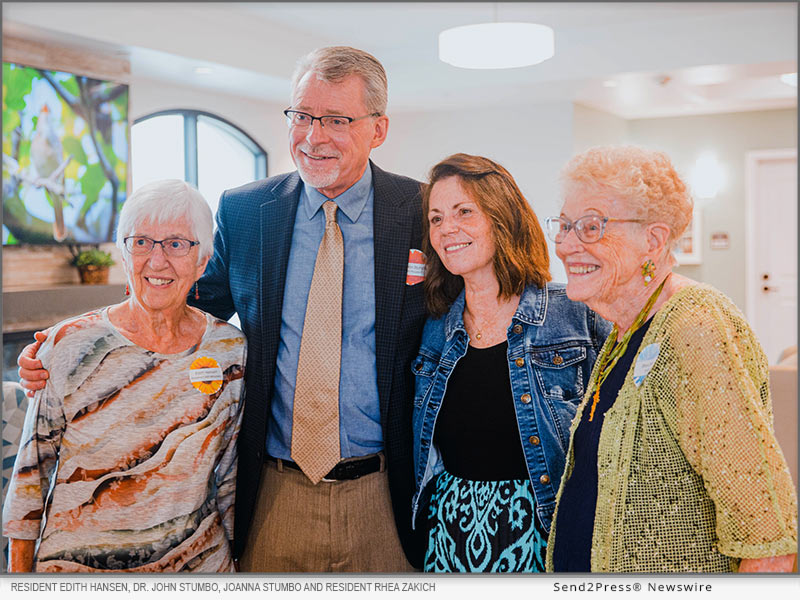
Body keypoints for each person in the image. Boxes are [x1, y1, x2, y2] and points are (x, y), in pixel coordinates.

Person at [18, 46, 426, 572]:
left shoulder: (417, 210)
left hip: (385, 491)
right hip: (274, 491)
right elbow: (176, 303)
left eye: (336, 120)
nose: (313, 135)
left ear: (379, 128)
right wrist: (75, 347)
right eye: (302, 116)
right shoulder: (247, 210)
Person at [544, 146, 797, 573]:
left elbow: (765, 536)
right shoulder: (625, 328)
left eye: (590, 227)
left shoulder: (695, 326)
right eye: (565, 226)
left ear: (654, 240)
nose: (566, 245)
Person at [3, 180, 246, 572]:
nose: (157, 260)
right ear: (122, 252)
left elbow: (232, 477)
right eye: (142, 242)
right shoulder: (69, 345)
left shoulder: (229, 350)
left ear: (203, 261)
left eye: (177, 243)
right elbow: (30, 476)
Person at [411, 154, 611, 572]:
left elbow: (617, 432)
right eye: (435, 218)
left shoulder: (574, 313)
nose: (447, 229)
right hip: (450, 534)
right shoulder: (434, 329)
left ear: (501, 218)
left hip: (543, 527)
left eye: (464, 212)